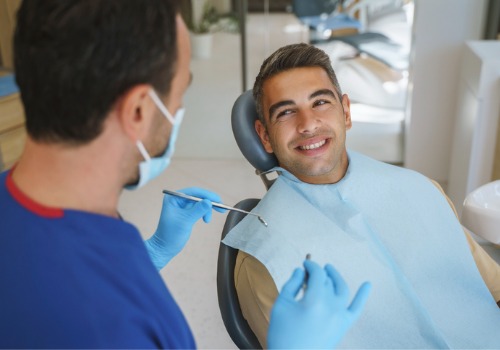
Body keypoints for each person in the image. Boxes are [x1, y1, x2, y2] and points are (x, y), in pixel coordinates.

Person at [0, 1, 372, 348]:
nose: (179, 109)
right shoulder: (112, 328)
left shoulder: (43, 213)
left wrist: (151, 254)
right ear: (139, 112)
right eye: (180, 93)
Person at [223, 43, 500, 349]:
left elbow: (494, 288)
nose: (308, 124)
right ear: (264, 136)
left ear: (346, 111)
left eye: (320, 103)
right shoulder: (264, 260)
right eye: (286, 112)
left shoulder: (422, 191)